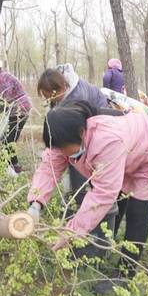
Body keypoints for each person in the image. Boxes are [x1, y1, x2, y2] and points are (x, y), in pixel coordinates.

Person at [27, 100, 148, 295]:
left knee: (137, 211)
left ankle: (125, 274)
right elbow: (49, 169)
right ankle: (108, 244)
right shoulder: (61, 140)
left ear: (81, 133)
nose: (62, 152)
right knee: (120, 198)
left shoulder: (107, 140)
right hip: (129, 150)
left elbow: (103, 193)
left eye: (65, 148)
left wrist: (72, 230)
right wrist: (35, 204)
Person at [36, 64, 115, 258]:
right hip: (80, 142)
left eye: (49, 95)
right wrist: (35, 203)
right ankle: (80, 224)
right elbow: (54, 154)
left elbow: (81, 134)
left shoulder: (78, 98)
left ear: (59, 89)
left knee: (93, 190)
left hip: (99, 142)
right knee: (79, 185)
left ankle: (94, 243)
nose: (48, 100)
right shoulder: (60, 97)